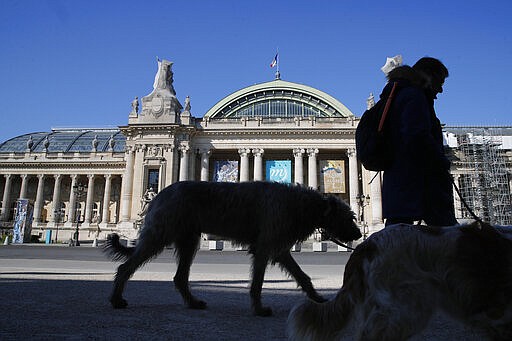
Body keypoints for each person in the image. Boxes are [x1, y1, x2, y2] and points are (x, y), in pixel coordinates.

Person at [381, 57, 458, 227]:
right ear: (428, 76)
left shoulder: (397, 95)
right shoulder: (414, 96)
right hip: (421, 182)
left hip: (400, 184)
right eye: (440, 81)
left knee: (398, 236)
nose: (441, 89)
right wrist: (440, 162)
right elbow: (416, 136)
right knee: (448, 238)